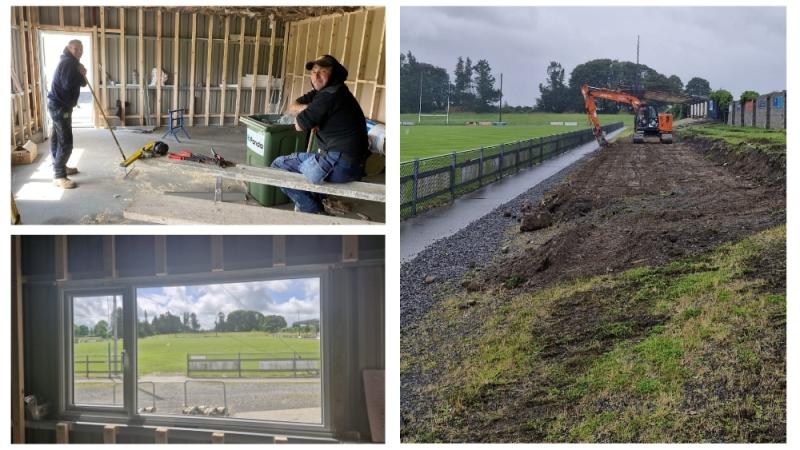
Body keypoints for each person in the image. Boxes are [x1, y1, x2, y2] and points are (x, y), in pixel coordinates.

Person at [270, 54, 369, 214]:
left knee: (278, 165)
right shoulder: (331, 91)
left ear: (334, 73)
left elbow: (299, 126)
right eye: (313, 71)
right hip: (354, 165)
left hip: (339, 166)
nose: (316, 76)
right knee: (313, 161)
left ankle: (309, 207)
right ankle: (318, 204)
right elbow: (293, 105)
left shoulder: (329, 96)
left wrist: (310, 112)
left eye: (322, 71)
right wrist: (308, 109)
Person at [47, 39, 87, 189]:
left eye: (80, 49)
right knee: (66, 143)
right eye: (75, 49)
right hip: (60, 107)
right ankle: (59, 176)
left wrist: (82, 73)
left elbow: (82, 83)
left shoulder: (73, 62)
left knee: (57, 138)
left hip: (59, 105)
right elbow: (67, 84)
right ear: (69, 48)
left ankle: (60, 167)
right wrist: (79, 73)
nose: (79, 51)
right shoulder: (68, 63)